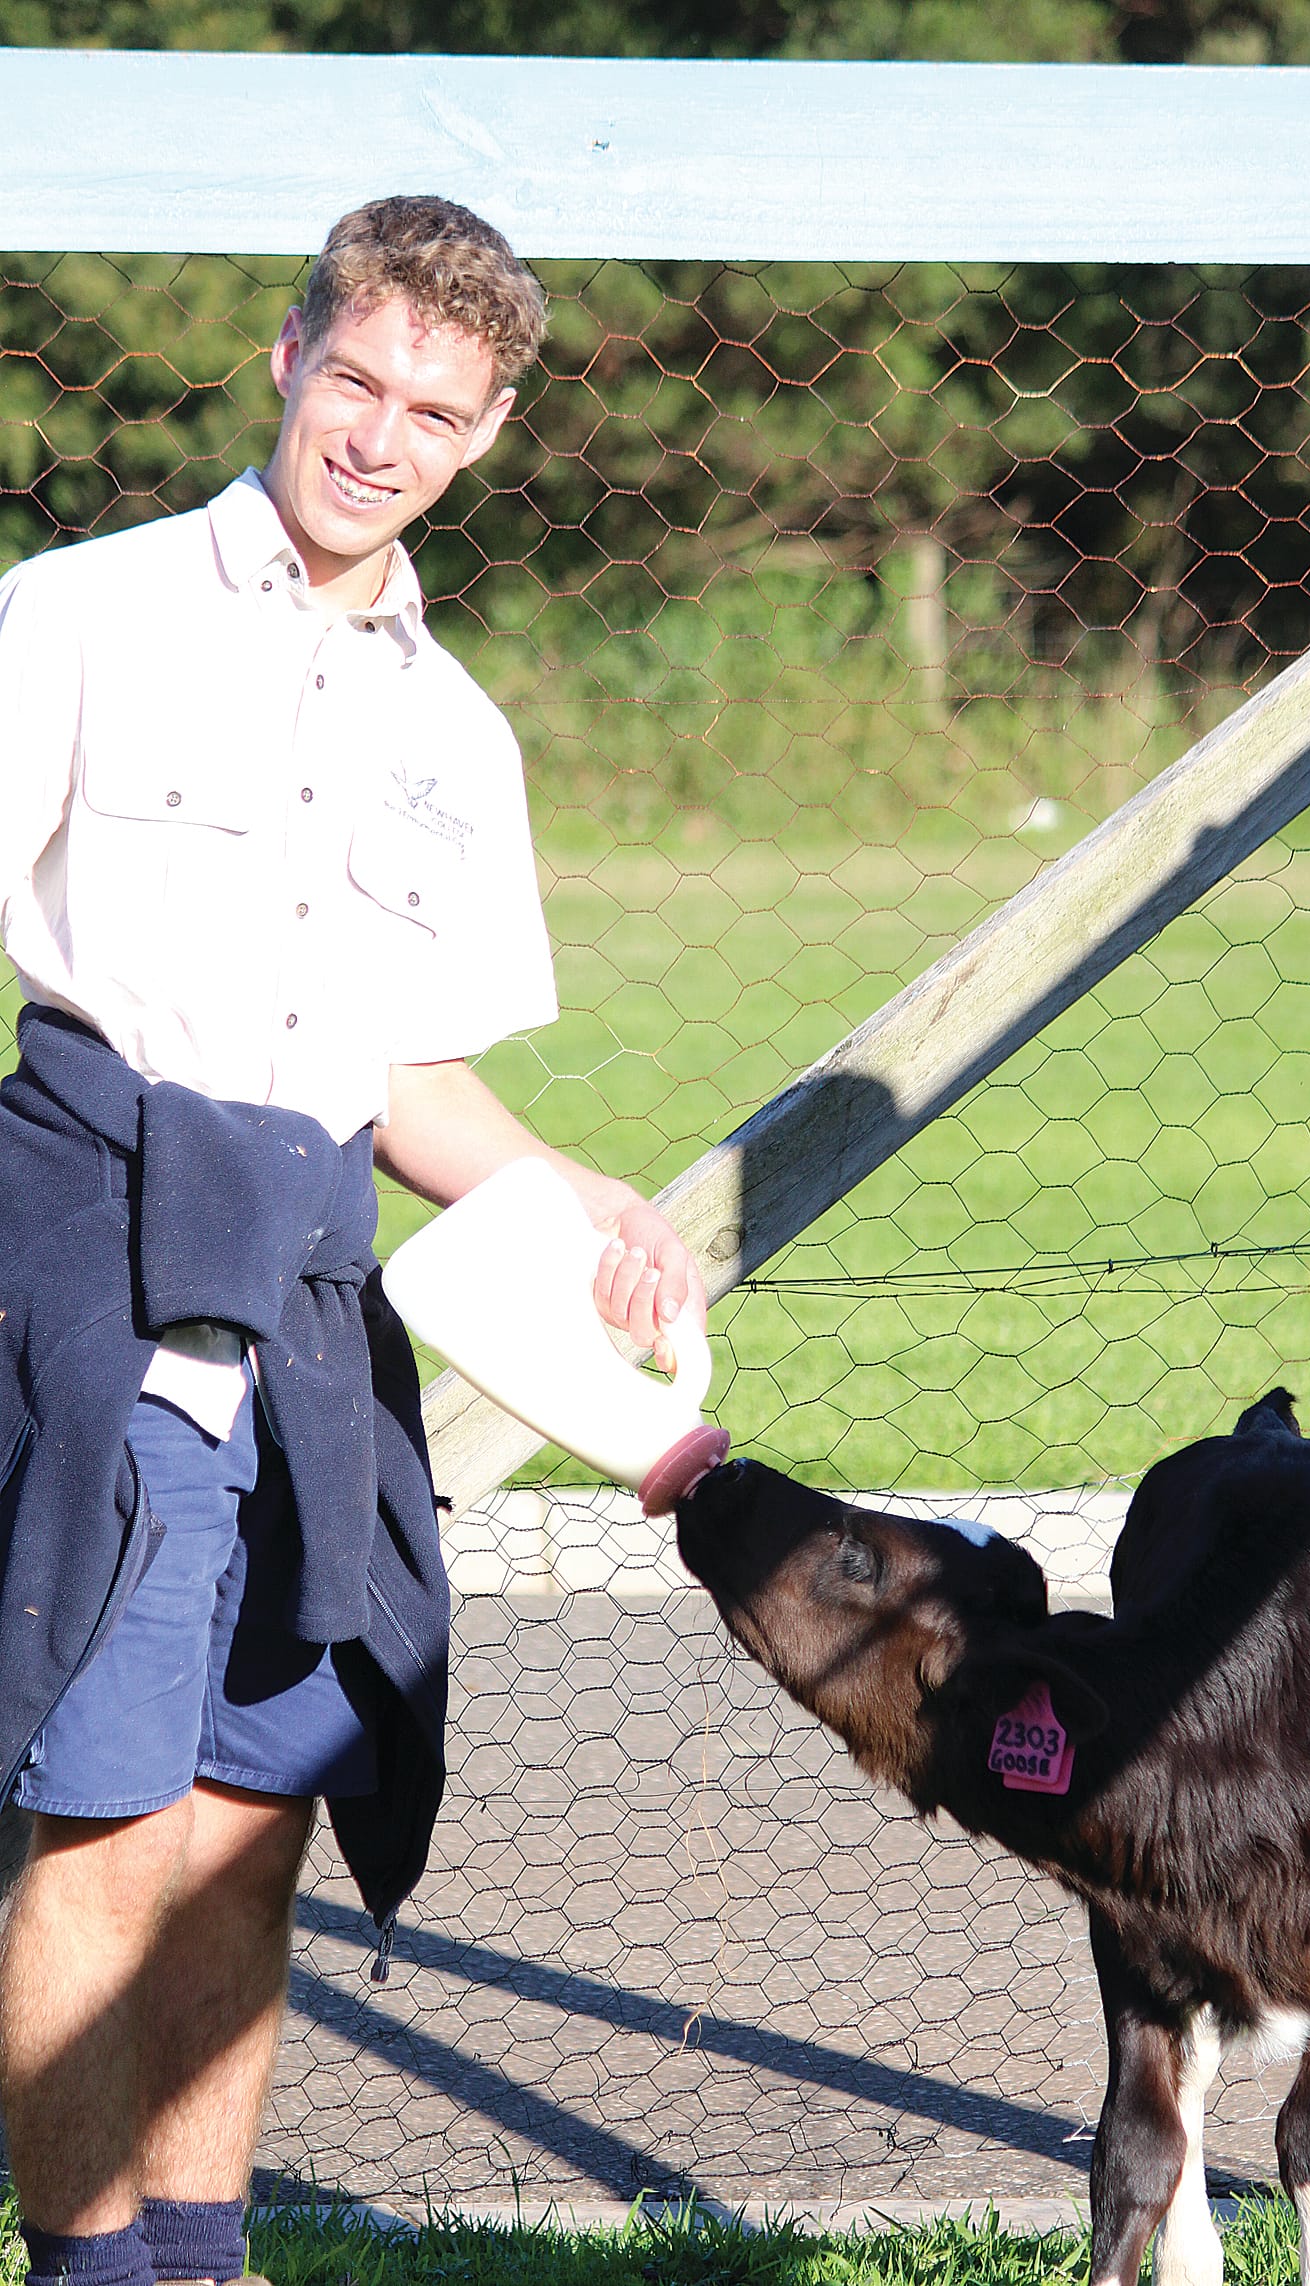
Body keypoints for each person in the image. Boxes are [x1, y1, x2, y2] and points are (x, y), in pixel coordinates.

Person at [0, 194, 705, 2286]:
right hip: (107, 1274)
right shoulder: (80, 616)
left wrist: (580, 1196)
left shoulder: (455, 735)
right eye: (360, 380)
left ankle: (202, 2255)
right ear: (287, 359)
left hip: (312, 1314)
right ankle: (92, 2275)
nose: (383, 438)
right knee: (103, 1822)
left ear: (489, 437)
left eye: (437, 411)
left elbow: (408, 1084)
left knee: (249, 1829)